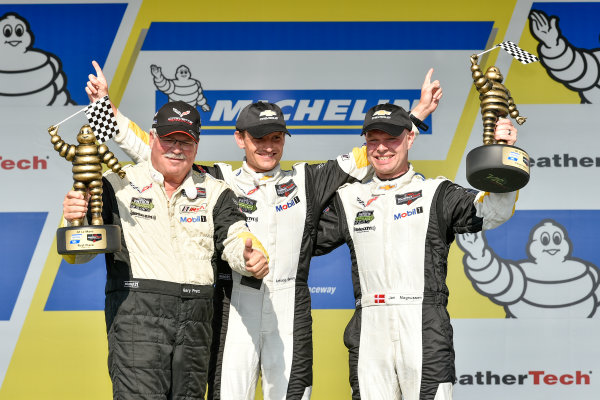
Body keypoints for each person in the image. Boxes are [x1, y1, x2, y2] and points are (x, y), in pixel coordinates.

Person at [84, 60, 442, 399]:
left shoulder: (306, 179)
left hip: (289, 306)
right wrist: (105, 109)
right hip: (235, 305)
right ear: (240, 139)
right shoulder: (216, 179)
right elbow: (153, 151)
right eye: (258, 137)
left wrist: (417, 116)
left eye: (275, 137)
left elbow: (372, 154)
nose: (267, 146)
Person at [61, 101, 269, 400]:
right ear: (152, 138)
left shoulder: (216, 191)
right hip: (138, 313)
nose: (177, 148)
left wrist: (250, 258)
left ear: (196, 145)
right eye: (169, 139)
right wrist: (73, 218)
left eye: (186, 141)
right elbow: (78, 253)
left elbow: (237, 236)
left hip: (197, 317)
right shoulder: (116, 183)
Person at [314, 103, 519, 400]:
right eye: (373, 140)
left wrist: (504, 157)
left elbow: (494, 211)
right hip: (370, 323)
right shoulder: (349, 198)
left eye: (392, 139)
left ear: (410, 138)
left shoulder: (437, 192)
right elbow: (302, 240)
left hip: (423, 321)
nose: (382, 148)